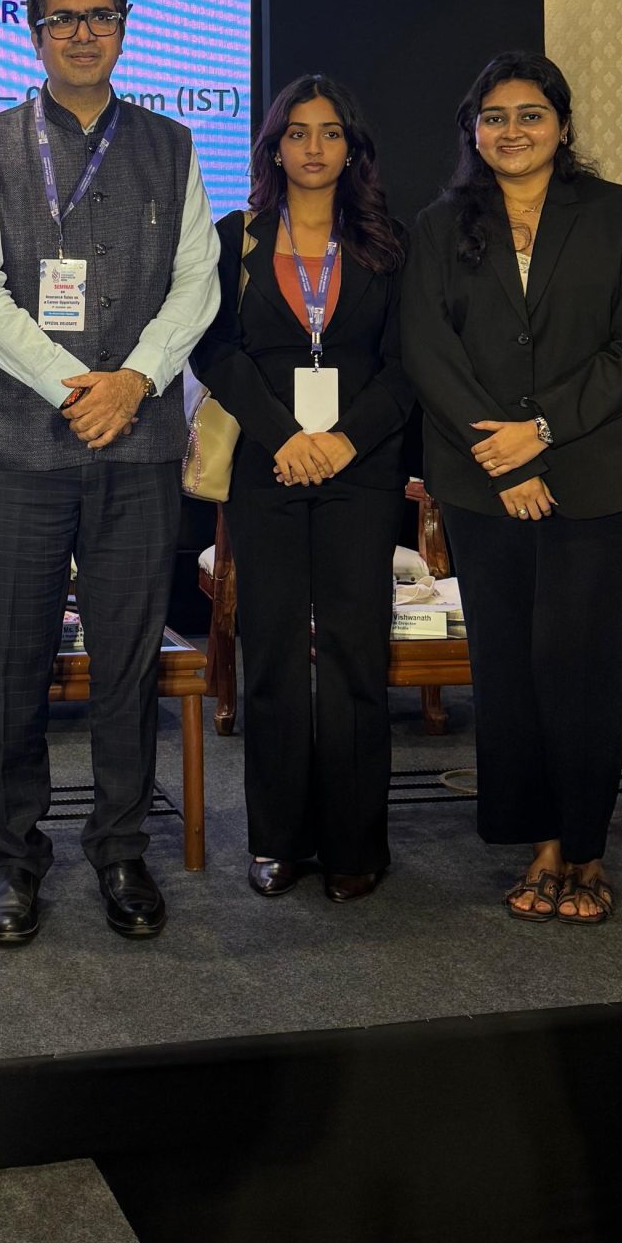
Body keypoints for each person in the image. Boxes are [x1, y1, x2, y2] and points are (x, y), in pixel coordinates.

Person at [0, 0, 219, 947]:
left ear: (123, 25)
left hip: (136, 449)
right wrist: (77, 386)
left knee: (128, 664)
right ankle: (14, 856)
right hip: (18, 450)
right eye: (62, 19)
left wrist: (135, 380)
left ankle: (120, 848)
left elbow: (197, 282)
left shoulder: (172, 145)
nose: (82, 33)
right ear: (34, 33)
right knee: (14, 665)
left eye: (99, 16)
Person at [401, 51, 622, 925]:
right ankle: (541, 842)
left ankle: (588, 848)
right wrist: (508, 460)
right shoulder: (440, 226)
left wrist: (543, 435)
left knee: (583, 665)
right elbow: (427, 352)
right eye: (493, 117)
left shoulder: (619, 214)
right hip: (483, 483)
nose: (511, 131)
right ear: (472, 131)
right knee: (510, 667)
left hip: (598, 477)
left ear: (561, 125)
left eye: (530, 114)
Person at [190, 76, 411, 903]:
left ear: (352, 148)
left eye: (330, 133)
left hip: (363, 468)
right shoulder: (234, 238)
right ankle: (278, 840)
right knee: (274, 654)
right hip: (269, 465)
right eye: (296, 132)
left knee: (356, 654)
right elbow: (214, 349)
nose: (313, 148)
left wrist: (345, 441)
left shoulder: (388, 243)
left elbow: (408, 363)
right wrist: (286, 437)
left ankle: (355, 844)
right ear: (274, 147)